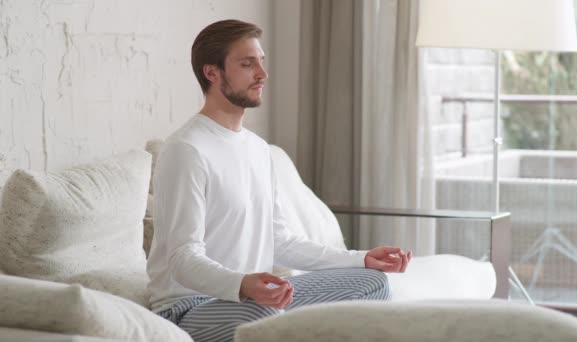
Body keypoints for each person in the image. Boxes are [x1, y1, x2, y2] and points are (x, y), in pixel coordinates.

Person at [146, 19, 412, 342]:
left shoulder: (259, 149)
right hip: (189, 309)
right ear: (212, 73)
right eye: (247, 64)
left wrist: (361, 258)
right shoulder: (187, 150)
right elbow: (181, 258)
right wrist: (245, 284)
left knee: (373, 283)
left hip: (253, 300)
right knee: (267, 316)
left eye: (261, 61)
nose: (262, 74)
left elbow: (281, 241)